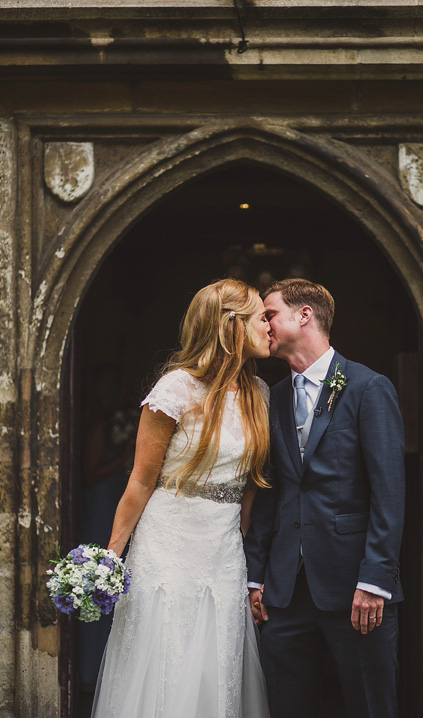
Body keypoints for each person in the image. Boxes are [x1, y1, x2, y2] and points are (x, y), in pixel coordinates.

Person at [91, 278, 273, 718]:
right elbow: (139, 480)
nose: (270, 326)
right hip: (167, 540)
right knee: (166, 656)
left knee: (218, 663)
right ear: (232, 326)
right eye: (260, 317)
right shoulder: (176, 388)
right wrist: (110, 558)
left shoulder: (260, 395)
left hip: (224, 547)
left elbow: (250, 488)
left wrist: (241, 547)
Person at [244, 278, 405, 718]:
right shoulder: (271, 399)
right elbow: (269, 491)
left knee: (370, 705)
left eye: (269, 313)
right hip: (282, 593)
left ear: (304, 315)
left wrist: (375, 581)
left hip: (356, 590)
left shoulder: (369, 389)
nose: (263, 323)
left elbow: (388, 494)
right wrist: (256, 576)